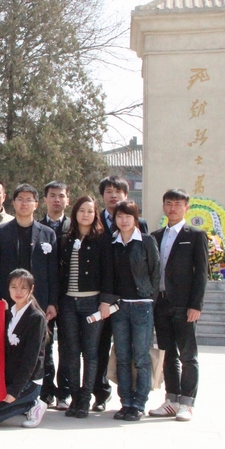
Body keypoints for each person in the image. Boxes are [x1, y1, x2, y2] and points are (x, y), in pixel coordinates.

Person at [148, 189, 209, 422]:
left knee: (188, 356)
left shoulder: (195, 235)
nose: (173, 208)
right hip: (160, 304)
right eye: (169, 203)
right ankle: (171, 400)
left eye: (178, 204)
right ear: (163, 206)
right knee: (167, 354)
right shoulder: (155, 236)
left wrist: (196, 305)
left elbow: (201, 273)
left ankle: (187, 403)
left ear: (186, 207)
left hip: (184, 305)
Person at [57, 195, 116, 419]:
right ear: (75, 213)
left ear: (95, 214)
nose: (85, 215)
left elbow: (109, 273)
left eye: (90, 211)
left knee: (91, 353)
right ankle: (74, 396)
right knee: (71, 352)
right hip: (68, 303)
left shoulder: (103, 240)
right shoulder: (65, 239)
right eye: (82, 210)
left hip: (92, 303)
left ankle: (85, 398)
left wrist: (105, 302)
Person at [93, 176, 148, 412]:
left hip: (135, 302)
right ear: (102, 195)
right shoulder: (95, 221)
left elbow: (149, 267)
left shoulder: (141, 227)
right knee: (102, 348)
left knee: (136, 353)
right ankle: (102, 394)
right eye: (108, 191)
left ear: (126, 195)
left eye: (118, 191)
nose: (113, 195)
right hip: (104, 299)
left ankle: (136, 399)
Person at [0, 269, 48, 428]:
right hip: (9, 378)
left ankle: (33, 404)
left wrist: (15, 391)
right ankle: (20, 404)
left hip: (28, 382)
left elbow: (30, 360)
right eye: (14, 287)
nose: (18, 292)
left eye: (23, 287)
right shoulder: (11, 312)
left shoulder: (36, 318)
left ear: (31, 289)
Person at [110, 201, 160, 422]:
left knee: (141, 357)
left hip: (142, 306)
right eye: (119, 216)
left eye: (128, 216)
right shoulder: (112, 243)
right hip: (119, 307)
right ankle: (126, 402)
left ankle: (139, 403)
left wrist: (150, 301)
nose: (124, 220)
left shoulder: (147, 242)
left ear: (135, 218)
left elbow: (155, 273)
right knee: (122, 357)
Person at [0, 184, 57, 312]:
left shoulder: (48, 233)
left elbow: (52, 272)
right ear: (14, 203)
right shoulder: (0, 232)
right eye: (20, 199)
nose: (24, 203)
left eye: (29, 200)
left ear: (36, 205)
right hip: (8, 299)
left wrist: (52, 303)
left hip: (39, 299)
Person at [38, 180, 71, 409]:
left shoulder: (75, 226)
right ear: (45, 200)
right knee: (45, 345)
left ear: (67, 200)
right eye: (52, 195)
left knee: (67, 346)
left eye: (61, 196)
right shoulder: (37, 227)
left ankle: (65, 393)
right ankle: (46, 391)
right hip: (44, 295)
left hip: (69, 295)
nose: (57, 199)